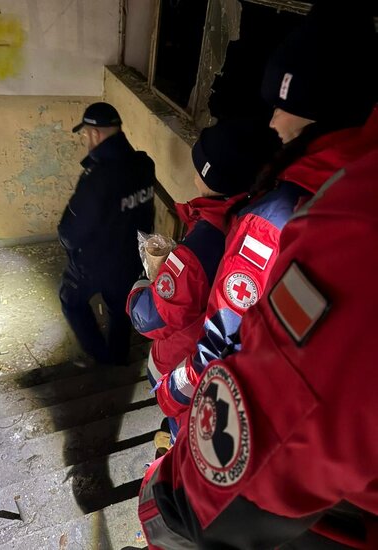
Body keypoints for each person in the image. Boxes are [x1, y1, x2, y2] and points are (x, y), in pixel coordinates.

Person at [153, 0, 378, 434]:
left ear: (320, 110)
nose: (272, 121)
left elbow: (222, 333)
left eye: (282, 105)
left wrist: (171, 395)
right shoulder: (351, 180)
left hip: (239, 403)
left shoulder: (271, 215)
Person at [138, 146, 378, 550]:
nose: (277, 121)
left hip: (210, 415)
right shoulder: (330, 184)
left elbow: (211, 335)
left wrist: (167, 395)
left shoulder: (266, 222)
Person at [126, 117, 278, 442]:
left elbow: (150, 318)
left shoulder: (200, 245)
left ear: (207, 174)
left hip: (184, 365)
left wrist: (141, 285)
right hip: (216, 367)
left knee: (185, 426)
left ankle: (175, 445)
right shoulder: (246, 215)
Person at [58, 102, 155, 365]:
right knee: (120, 310)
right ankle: (118, 357)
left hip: (94, 264)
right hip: (131, 260)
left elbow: (70, 232)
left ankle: (101, 357)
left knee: (71, 301)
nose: (86, 140)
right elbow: (145, 214)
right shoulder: (144, 165)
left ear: (95, 133)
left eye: (86, 135)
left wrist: (73, 253)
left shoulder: (96, 178)